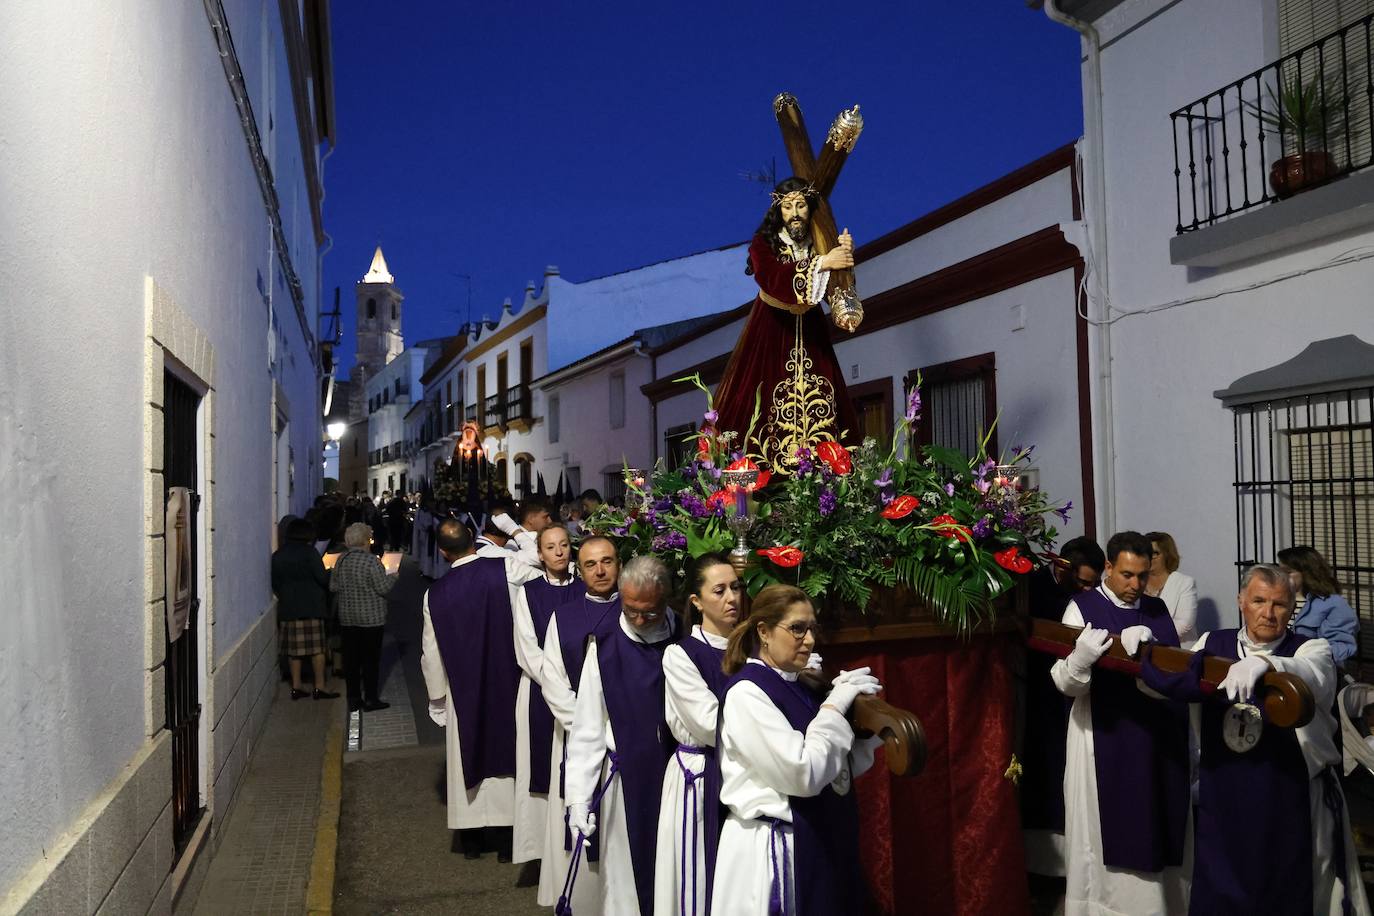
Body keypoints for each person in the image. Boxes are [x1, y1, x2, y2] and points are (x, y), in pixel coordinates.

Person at [1143, 564, 1370, 915]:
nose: (1268, 613)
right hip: (1224, 788)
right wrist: (1145, 650)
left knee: (1288, 887)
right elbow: (1174, 678)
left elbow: (1314, 678)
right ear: (1241, 602)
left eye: (1279, 604)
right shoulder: (1212, 643)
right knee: (1221, 883)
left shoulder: (1311, 649)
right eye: (1259, 601)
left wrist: (1269, 665)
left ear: (1291, 609)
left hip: (1289, 789)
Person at [711, 585, 882, 915]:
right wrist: (833, 708)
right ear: (763, 631)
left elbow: (834, 774)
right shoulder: (747, 694)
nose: (809, 640)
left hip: (810, 840)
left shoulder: (798, 684)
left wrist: (867, 730)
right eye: (797, 629)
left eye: (812, 628)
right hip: (770, 853)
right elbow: (802, 774)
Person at [1051, 530, 1191, 915]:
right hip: (1102, 737)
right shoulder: (1080, 608)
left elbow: (1174, 675)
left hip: (1156, 740)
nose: (1135, 585)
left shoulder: (1158, 611)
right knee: (1103, 835)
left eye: (1143, 576)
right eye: (1127, 575)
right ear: (1108, 568)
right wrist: (1080, 659)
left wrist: (1151, 656)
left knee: (1159, 827)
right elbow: (1064, 683)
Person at [710, 177, 861, 469]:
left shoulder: (819, 242)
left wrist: (844, 260)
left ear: (810, 209)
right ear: (778, 211)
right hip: (771, 330)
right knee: (760, 403)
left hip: (812, 332)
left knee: (826, 400)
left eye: (801, 205)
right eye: (788, 206)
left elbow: (837, 292)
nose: (794, 213)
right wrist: (824, 262)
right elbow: (772, 279)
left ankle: (825, 475)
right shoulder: (763, 244)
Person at [565, 555, 681, 916]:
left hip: (677, 778)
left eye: (650, 612)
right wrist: (578, 800)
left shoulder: (680, 630)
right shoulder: (604, 645)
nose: (641, 620)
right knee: (626, 884)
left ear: (666, 599)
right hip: (626, 779)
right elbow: (587, 729)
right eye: (632, 610)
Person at [421, 518, 521, 861]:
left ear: (443, 552)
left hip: (462, 691)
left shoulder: (435, 594)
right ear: (473, 542)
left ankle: (472, 841)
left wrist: (437, 697)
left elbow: (431, 652)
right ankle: (509, 842)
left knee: (466, 758)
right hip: (505, 679)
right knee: (508, 756)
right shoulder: (505, 571)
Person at [534, 535, 620, 910]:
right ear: (579, 570)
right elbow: (552, 680)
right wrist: (589, 729)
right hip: (578, 737)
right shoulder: (563, 617)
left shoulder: (637, 612)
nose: (600, 570)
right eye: (590, 564)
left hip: (623, 745)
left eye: (607, 561)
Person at [655, 554, 743, 916]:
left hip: (744, 773)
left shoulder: (754, 647)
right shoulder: (680, 655)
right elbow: (709, 722)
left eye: (736, 587)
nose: (732, 598)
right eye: (719, 590)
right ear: (696, 601)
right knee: (699, 877)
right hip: (702, 777)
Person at [1022, 536, 1106, 879]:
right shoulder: (1032, 588)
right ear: (1061, 566)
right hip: (1035, 689)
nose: (1088, 592)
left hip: (1073, 691)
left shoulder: (1090, 599)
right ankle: (1041, 867)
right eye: (1082, 583)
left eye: (1093, 584)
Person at [511, 524, 586, 881]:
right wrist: (559, 684)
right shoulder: (529, 593)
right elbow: (527, 650)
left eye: (564, 545)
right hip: (542, 692)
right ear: (539, 554)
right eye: (550, 547)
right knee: (543, 767)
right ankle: (545, 850)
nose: (559, 552)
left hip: (586, 689)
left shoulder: (587, 587)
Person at [329, 522, 398, 712]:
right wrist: (393, 573)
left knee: (351, 660)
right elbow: (383, 587)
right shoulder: (371, 561)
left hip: (348, 617)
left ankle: (353, 698)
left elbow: (333, 587)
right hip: (371, 619)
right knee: (370, 661)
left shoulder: (341, 560)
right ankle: (371, 699)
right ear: (366, 540)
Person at [271, 517, 338, 700]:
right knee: (317, 649)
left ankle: (297, 686)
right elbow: (323, 579)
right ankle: (319, 686)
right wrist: (330, 571)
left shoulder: (278, 555)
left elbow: (275, 583)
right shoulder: (310, 553)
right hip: (312, 606)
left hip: (288, 607)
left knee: (294, 651)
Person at [1279, 545, 1360, 667]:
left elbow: (1342, 647)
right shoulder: (1277, 599)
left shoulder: (1332, 604)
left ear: (1306, 573)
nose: (1281, 576)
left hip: (1309, 671)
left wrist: (1309, 656)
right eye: (1279, 571)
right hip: (1274, 668)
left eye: (1288, 572)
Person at [1144, 531, 1199, 645]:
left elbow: (1185, 623)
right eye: (1145, 552)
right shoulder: (1137, 582)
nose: (1149, 557)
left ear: (1167, 554)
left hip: (1179, 651)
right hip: (1145, 651)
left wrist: (1148, 636)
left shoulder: (1184, 582)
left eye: (1154, 553)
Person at [491, 499, 554, 578]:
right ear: (531, 519)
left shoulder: (546, 537)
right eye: (545, 517)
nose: (550, 521)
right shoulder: (512, 544)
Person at [411, 498, 435, 578]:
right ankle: (424, 569)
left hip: (429, 535)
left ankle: (428, 570)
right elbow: (420, 523)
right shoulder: (421, 511)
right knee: (424, 553)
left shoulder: (431, 511)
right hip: (424, 534)